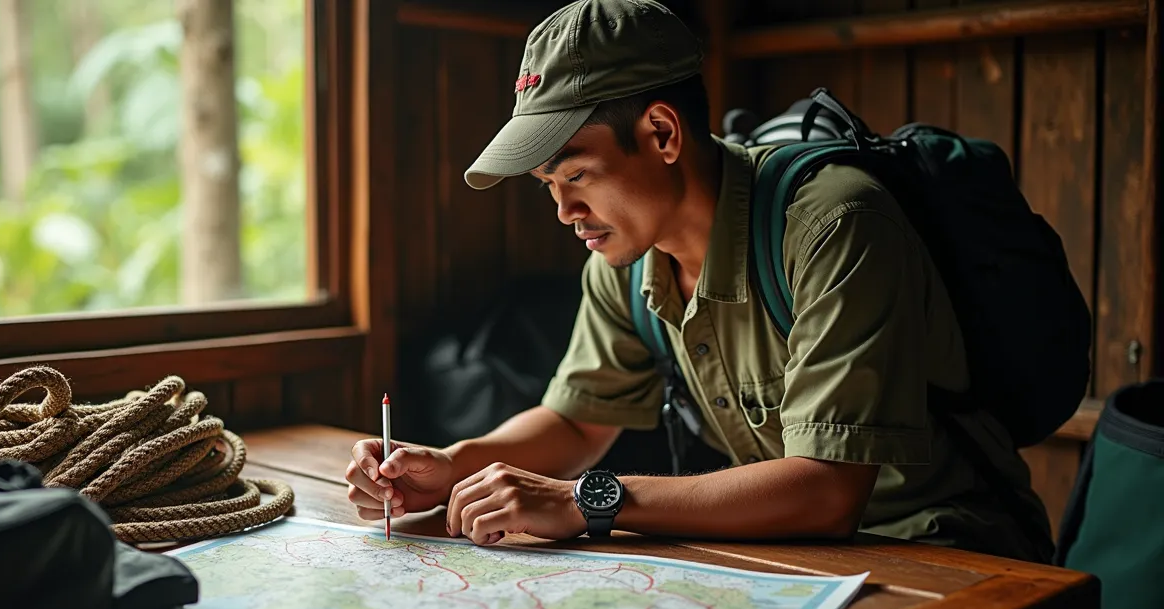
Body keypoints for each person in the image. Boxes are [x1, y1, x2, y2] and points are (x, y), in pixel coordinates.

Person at [343, 0, 1054, 562]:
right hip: (794, 554)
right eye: (548, 186)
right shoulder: (623, 262)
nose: (564, 211)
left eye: (578, 175)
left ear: (662, 133)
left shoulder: (834, 225)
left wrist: (585, 501)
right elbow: (577, 420)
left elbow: (828, 489)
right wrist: (452, 464)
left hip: (942, 549)